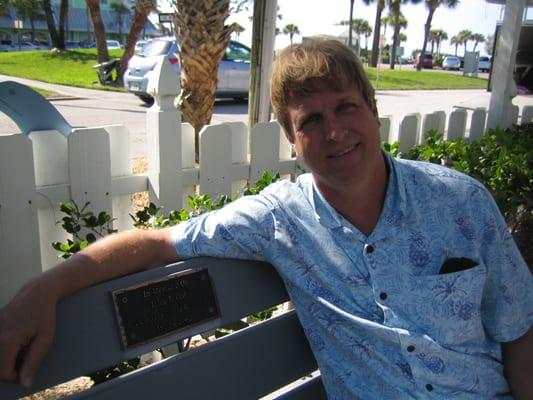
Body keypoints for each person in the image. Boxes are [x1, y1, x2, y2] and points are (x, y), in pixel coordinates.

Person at [0, 39, 531, 399]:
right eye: (312, 120)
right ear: (292, 138)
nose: (335, 132)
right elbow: (159, 241)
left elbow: (518, 328)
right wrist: (44, 289)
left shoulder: (461, 202)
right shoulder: (280, 219)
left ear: (372, 109)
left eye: (346, 108)